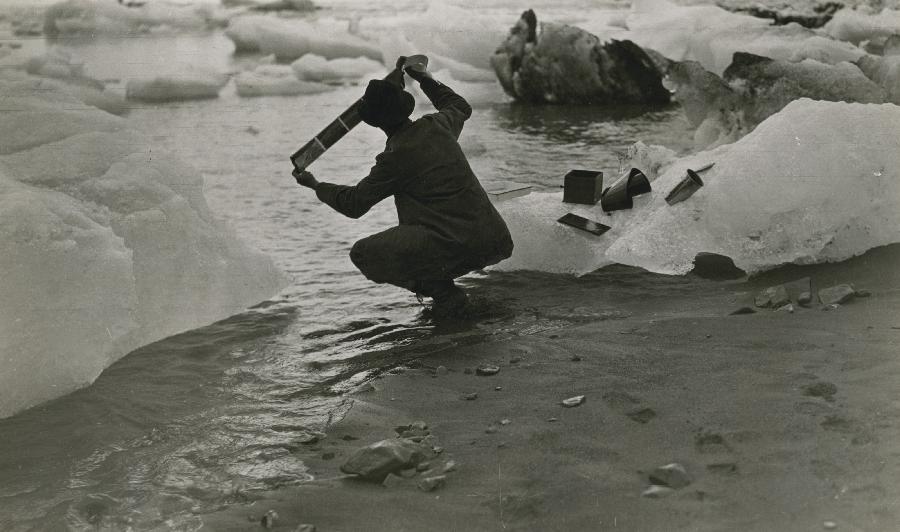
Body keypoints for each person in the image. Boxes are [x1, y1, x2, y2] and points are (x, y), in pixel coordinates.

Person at [293, 59, 513, 317]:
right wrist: (422, 76)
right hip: (494, 239)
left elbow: (353, 204)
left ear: (374, 123)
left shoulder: (395, 158)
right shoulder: (438, 125)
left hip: (459, 244)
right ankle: (448, 294)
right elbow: (458, 106)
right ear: (404, 108)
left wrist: (316, 185)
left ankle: (446, 295)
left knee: (363, 254)